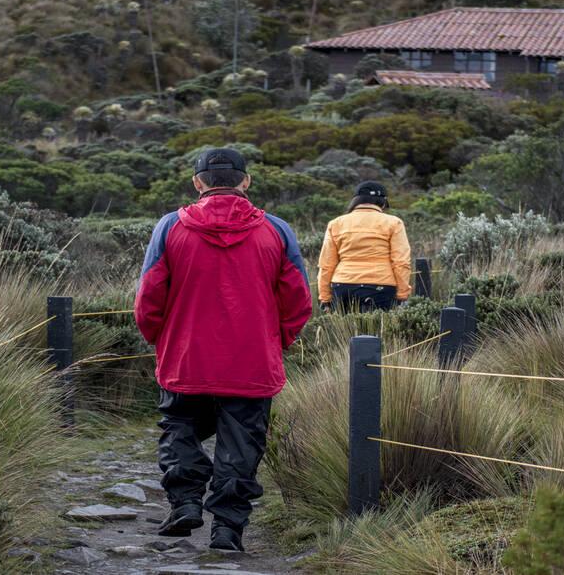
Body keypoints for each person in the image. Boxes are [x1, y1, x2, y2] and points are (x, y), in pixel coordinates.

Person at [134, 147, 313, 552]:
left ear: (198, 183)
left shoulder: (169, 227)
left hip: (186, 357)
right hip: (252, 360)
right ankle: (227, 529)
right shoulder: (277, 230)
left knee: (180, 428)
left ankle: (185, 503)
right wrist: (275, 341)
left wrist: (162, 340)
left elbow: (148, 297)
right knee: (242, 442)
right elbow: (298, 300)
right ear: (245, 181)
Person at [317, 181, 412, 313]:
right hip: (381, 284)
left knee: (344, 326)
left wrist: (325, 297)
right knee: (379, 326)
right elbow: (401, 262)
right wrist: (402, 294)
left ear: (356, 201)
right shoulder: (394, 223)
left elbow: (326, 264)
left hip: (343, 284)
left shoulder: (336, 223)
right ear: (383, 202)